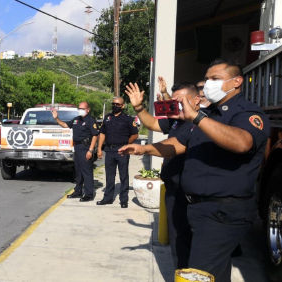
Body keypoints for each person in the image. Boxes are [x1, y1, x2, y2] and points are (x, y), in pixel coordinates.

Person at [118, 58, 269, 282]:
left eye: (215, 79)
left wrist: (196, 117)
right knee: (209, 271)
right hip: (198, 208)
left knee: (199, 272)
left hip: (222, 212)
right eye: (207, 79)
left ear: (236, 82)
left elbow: (242, 142)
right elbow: (178, 145)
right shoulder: (210, 115)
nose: (208, 84)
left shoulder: (245, 113)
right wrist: (144, 149)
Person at [125, 81, 200, 270]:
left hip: (191, 193)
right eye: (174, 101)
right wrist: (138, 107)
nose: (175, 105)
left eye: (180, 100)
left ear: (196, 101)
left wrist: (143, 149)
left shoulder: (202, 123)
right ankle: (180, 274)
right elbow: (151, 123)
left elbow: (172, 147)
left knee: (192, 244)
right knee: (178, 241)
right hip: (173, 190)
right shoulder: (176, 120)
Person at [96, 97, 139, 208]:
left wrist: (126, 145)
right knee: (109, 175)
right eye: (114, 104)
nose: (115, 106)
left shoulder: (128, 119)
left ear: (123, 106)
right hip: (109, 150)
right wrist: (99, 148)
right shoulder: (107, 117)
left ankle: (123, 200)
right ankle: (108, 198)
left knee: (123, 175)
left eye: (118, 104)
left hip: (122, 151)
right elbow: (102, 133)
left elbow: (135, 134)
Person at [52, 102, 99, 202]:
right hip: (77, 147)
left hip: (85, 147)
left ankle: (89, 194)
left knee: (87, 171)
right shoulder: (76, 119)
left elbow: (95, 135)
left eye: (82, 108)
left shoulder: (90, 120)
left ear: (88, 110)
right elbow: (65, 125)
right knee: (78, 171)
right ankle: (78, 191)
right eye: (79, 108)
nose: (80, 110)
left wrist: (90, 150)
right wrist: (56, 118)